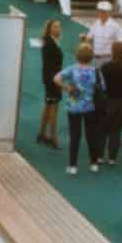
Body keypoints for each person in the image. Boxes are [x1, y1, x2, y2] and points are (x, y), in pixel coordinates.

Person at [52, 42, 103, 175]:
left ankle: (73, 166)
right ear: (91, 56)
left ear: (77, 55)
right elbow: (103, 88)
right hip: (90, 107)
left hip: (74, 107)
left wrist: (67, 88)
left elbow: (56, 78)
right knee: (92, 136)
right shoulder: (96, 71)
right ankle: (94, 164)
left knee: (75, 136)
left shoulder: (72, 69)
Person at [97, 42, 122, 165]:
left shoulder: (105, 67)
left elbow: (100, 86)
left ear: (112, 52)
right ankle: (112, 158)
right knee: (116, 130)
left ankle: (100, 156)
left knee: (102, 129)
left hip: (107, 101)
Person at [36, 17, 64, 148]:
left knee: (48, 106)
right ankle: (53, 138)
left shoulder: (50, 42)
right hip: (52, 80)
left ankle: (41, 134)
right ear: (50, 29)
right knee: (54, 108)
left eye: (59, 27)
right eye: (55, 27)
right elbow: (50, 66)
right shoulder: (50, 44)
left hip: (50, 78)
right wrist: (57, 81)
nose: (58, 29)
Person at [86, 0, 122, 67]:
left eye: (104, 12)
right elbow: (89, 38)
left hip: (108, 58)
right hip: (95, 58)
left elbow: (119, 44)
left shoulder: (115, 26)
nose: (102, 14)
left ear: (109, 13)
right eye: (100, 11)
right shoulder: (95, 23)